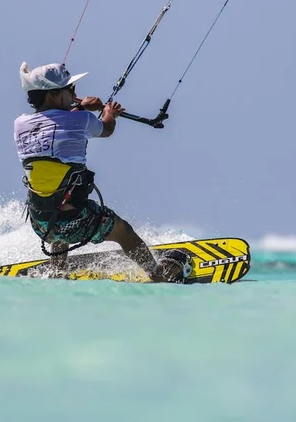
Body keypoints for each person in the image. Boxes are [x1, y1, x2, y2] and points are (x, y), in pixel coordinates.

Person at [14, 61, 188, 283]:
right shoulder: (81, 119)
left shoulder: (20, 124)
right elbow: (106, 129)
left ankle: (57, 272)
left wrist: (80, 107)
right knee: (124, 232)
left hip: (41, 223)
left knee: (58, 202)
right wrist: (108, 112)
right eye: (70, 89)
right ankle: (158, 278)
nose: (74, 92)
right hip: (75, 220)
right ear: (53, 94)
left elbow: (55, 122)